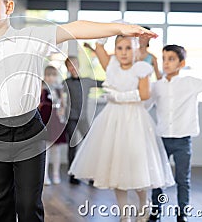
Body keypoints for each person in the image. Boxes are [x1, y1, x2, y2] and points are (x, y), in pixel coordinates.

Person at [0, 0, 157, 222]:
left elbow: (75, 28)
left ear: (8, 7)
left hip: (28, 131)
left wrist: (118, 28)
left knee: (28, 203)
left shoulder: (31, 36)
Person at [68, 36, 175, 222]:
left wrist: (118, 96)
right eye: (119, 48)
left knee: (137, 164)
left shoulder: (141, 68)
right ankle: (124, 214)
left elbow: (144, 94)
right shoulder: (110, 65)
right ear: (115, 50)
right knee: (116, 167)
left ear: (136, 49)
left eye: (128, 48)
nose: (123, 52)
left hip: (134, 120)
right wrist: (119, 26)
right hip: (113, 120)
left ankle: (144, 207)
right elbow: (99, 45)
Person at [147, 45, 202, 222]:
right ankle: (155, 213)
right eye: (164, 58)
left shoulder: (190, 83)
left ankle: (182, 214)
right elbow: (143, 104)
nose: (166, 63)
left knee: (183, 180)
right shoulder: (156, 86)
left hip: (183, 141)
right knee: (158, 180)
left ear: (182, 63)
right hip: (162, 139)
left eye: (171, 59)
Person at [63, 56, 103, 185]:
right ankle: (72, 174)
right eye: (70, 66)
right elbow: (56, 94)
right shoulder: (66, 83)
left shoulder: (86, 81)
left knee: (90, 144)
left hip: (83, 118)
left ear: (78, 65)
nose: (73, 67)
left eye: (74, 64)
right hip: (71, 119)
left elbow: (102, 83)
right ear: (67, 68)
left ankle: (92, 175)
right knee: (72, 147)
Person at [39, 65, 67, 186]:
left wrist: (62, 110)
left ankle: (56, 174)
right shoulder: (41, 88)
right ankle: (44, 176)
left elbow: (63, 104)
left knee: (57, 150)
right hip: (45, 119)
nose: (51, 78)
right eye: (48, 75)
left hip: (56, 120)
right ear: (45, 76)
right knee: (46, 149)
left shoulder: (59, 89)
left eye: (53, 75)